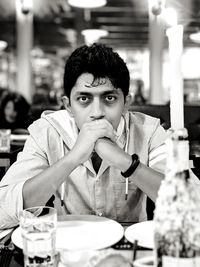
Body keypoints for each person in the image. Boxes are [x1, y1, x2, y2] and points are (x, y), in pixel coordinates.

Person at [0, 43, 170, 229]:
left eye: (109, 98)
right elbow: (2, 211)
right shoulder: (47, 132)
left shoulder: (149, 131)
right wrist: (72, 158)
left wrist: (124, 161)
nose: (97, 112)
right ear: (68, 105)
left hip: (129, 250)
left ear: (126, 103)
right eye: (84, 99)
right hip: (67, 250)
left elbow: (192, 203)